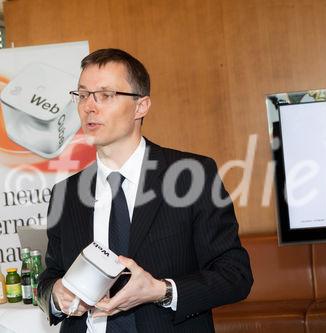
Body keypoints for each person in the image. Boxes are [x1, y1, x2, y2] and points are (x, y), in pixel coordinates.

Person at [38, 48, 253, 333]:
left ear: (141, 106)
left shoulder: (191, 176)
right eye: (83, 95)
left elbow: (235, 275)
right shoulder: (66, 193)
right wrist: (55, 294)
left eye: (106, 95)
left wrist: (160, 290)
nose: (89, 106)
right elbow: (51, 275)